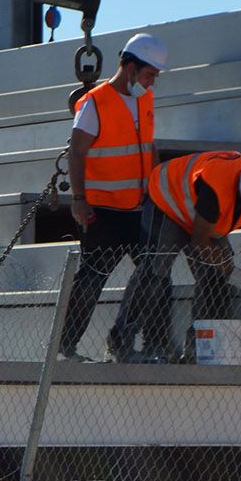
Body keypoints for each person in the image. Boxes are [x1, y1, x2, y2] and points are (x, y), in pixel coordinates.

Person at [118, 152, 241, 363]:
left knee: (214, 279)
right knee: (155, 270)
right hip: (168, 200)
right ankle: (122, 342)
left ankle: (198, 349)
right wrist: (231, 270)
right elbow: (199, 240)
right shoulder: (216, 187)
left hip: (201, 215)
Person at [58, 32, 168, 362]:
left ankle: (146, 344)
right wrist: (79, 199)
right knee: (91, 280)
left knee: (155, 274)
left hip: (137, 209)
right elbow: (77, 152)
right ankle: (65, 348)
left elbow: (149, 146)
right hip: (102, 211)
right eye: (149, 75)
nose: (152, 84)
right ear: (130, 67)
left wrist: (158, 187)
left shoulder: (144, 99)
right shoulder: (96, 102)